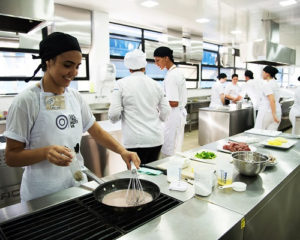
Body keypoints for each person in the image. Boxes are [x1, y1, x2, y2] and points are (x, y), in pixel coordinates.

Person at [4, 32, 140, 202]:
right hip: (42, 194)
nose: (73, 72)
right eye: (68, 65)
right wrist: (45, 152)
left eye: (77, 66)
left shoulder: (75, 97)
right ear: (49, 60)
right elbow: (11, 156)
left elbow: (96, 131)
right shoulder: (26, 102)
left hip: (75, 186)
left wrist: (122, 151)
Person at [108, 49, 171, 164]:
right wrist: (159, 119)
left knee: (137, 176)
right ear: (144, 66)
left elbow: (114, 114)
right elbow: (166, 110)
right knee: (152, 172)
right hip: (155, 139)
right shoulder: (156, 85)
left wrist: (115, 119)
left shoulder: (120, 84)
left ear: (129, 68)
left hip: (134, 142)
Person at [153, 46, 187, 157]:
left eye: (158, 60)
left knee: (170, 146)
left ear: (166, 58)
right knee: (174, 145)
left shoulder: (172, 76)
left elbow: (173, 102)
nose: (156, 64)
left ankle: (169, 170)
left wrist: (156, 103)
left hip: (173, 115)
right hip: (176, 115)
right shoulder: (175, 72)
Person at [255, 65, 281, 130]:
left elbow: (272, 100)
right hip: (277, 110)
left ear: (267, 74)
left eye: (262, 72)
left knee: (259, 133)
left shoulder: (267, 85)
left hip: (267, 112)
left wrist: (273, 114)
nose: (261, 74)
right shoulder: (275, 83)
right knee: (271, 134)